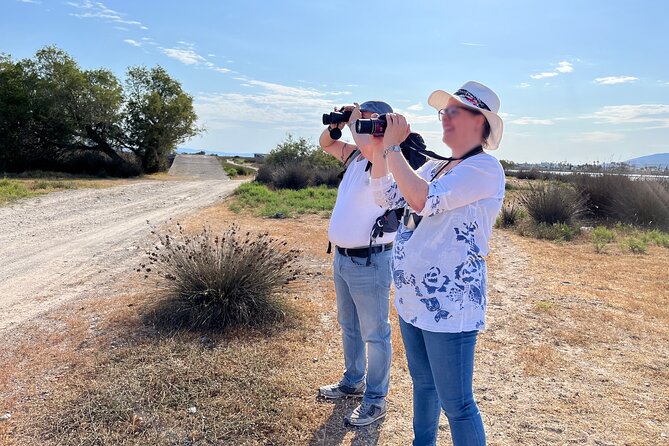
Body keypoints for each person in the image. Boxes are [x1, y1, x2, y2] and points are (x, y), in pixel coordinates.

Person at [368, 81, 505, 445]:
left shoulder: (485, 168)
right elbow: (385, 195)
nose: (444, 118)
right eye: (444, 111)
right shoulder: (434, 167)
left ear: (480, 122)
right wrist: (381, 151)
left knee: (457, 404)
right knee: (424, 386)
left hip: (450, 306)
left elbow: (423, 201)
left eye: (454, 111)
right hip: (413, 301)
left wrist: (395, 147)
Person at [317, 101, 395, 427]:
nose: (356, 124)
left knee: (375, 334)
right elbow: (326, 143)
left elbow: (373, 149)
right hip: (343, 259)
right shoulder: (354, 158)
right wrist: (338, 125)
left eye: (364, 120)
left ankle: (376, 399)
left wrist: (354, 122)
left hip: (370, 261)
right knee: (348, 326)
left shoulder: (387, 157)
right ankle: (353, 381)